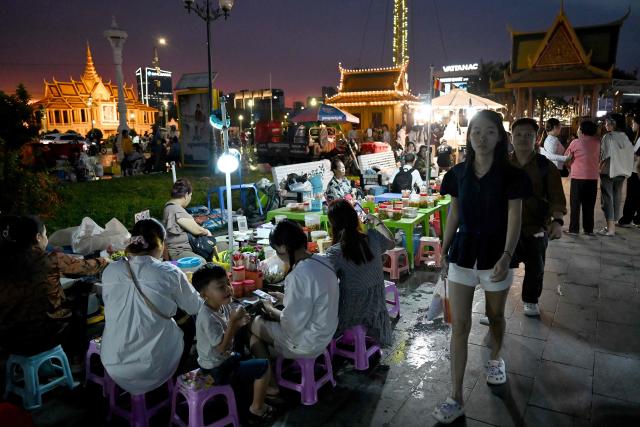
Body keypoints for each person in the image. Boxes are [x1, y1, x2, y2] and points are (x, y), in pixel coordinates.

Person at [432, 110, 531, 424]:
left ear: (499, 137)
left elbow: (515, 217)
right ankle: (456, 396)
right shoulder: (457, 173)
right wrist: (443, 249)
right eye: (476, 131)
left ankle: (496, 358)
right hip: (464, 253)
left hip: (496, 255)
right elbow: (454, 214)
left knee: (496, 316)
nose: (482, 138)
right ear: (469, 136)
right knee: (459, 326)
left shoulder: (513, 175)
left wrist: (506, 255)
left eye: (489, 132)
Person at [101, 219, 202, 395]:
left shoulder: (110, 271)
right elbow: (195, 307)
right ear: (160, 244)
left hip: (113, 361)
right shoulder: (168, 272)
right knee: (189, 323)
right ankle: (172, 379)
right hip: (151, 368)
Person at [0, 215, 108, 359]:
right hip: (44, 337)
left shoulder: (4, 259)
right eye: (45, 234)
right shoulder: (49, 259)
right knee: (79, 297)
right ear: (38, 237)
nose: (46, 238)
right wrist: (105, 260)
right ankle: (75, 356)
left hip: (8, 339)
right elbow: (84, 268)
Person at [192, 264, 274, 421]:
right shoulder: (207, 318)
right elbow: (222, 349)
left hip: (220, 360)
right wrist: (233, 323)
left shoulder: (220, 307)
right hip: (215, 369)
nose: (228, 289)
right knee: (263, 366)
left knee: (242, 354)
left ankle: (245, 391)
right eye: (220, 287)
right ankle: (257, 408)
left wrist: (238, 323)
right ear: (204, 294)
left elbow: (227, 338)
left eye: (228, 283)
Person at [251, 220, 339, 359]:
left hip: (307, 343)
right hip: (326, 333)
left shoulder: (297, 275)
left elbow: (291, 324)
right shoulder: (322, 261)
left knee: (255, 323)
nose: (277, 255)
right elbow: (313, 299)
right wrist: (284, 297)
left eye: (276, 250)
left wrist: (270, 309)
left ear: (283, 248)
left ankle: (267, 375)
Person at [509, 118, 566, 317]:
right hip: (507, 227)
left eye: (528, 135)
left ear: (536, 138)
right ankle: (495, 303)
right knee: (501, 264)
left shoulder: (545, 166)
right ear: (511, 137)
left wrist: (557, 221)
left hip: (536, 227)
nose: (523, 138)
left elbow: (557, 197)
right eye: (518, 134)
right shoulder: (503, 165)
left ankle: (531, 300)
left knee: (536, 266)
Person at [325, 200, 395, 346]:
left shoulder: (336, 252)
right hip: (377, 309)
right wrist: (377, 221)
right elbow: (391, 241)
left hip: (352, 314)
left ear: (333, 224)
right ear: (354, 217)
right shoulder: (373, 237)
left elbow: (324, 280)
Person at [598, 113, 635, 236]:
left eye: (606, 122)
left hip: (609, 171)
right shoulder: (626, 136)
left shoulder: (608, 137)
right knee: (617, 197)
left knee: (607, 198)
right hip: (622, 171)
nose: (605, 124)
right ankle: (612, 226)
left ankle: (610, 228)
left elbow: (605, 155)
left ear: (613, 123)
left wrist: (600, 166)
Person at [564, 120, 601, 235]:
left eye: (579, 128)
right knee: (589, 205)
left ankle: (574, 229)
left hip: (577, 177)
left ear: (582, 130)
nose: (578, 130)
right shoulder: (598, 142)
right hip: (593, 178)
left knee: (575, 204)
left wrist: (570, 167)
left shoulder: (575, 142)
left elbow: (567, 158)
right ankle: (588, 229)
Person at [163, 178, 211, 261]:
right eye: (190, 196)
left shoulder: (169, 207)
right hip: (180, 252)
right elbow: (197, 230)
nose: (190, 199)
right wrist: (207, 232)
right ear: (186, 195)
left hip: (182, 250)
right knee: (201, 262)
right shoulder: (175, 209)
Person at [618, 114, 640, 227]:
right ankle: (636, 219)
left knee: (632, 195)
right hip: (636, 170)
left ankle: (627, 219)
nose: (632, 125)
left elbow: (635, 156)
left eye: (633, 123)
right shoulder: (637, 137)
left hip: (636, 171)